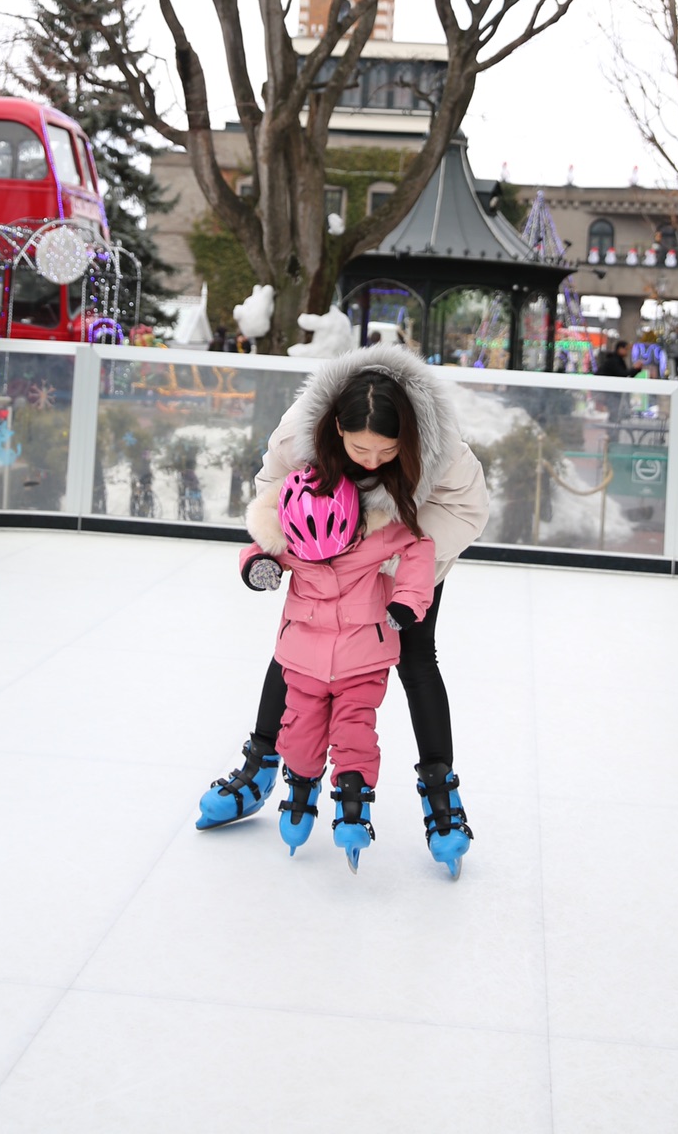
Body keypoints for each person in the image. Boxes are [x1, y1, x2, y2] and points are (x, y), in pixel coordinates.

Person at [196, 345, 487, 872]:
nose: (372, 462)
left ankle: (440, 790)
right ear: (335, 430)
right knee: (297, 656)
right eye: (360, 449)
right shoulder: (298, 435)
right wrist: (284, 545)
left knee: (418, 660)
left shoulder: (446, 452)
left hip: (406, 567)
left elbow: (467, 511)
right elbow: (271, 491)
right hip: (319, 562)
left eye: (387, 452)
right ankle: (262, 762)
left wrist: (386, 559)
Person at [239, 463, 436, 872]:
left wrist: (408, 599)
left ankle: (353, 794)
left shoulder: (376, 534)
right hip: (304, 661)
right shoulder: (289, 538)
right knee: (298, 730)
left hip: (362, 662)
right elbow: (258, 546)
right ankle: (301, 781)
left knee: (355, 731)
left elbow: (419, 545)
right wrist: (258, 565)